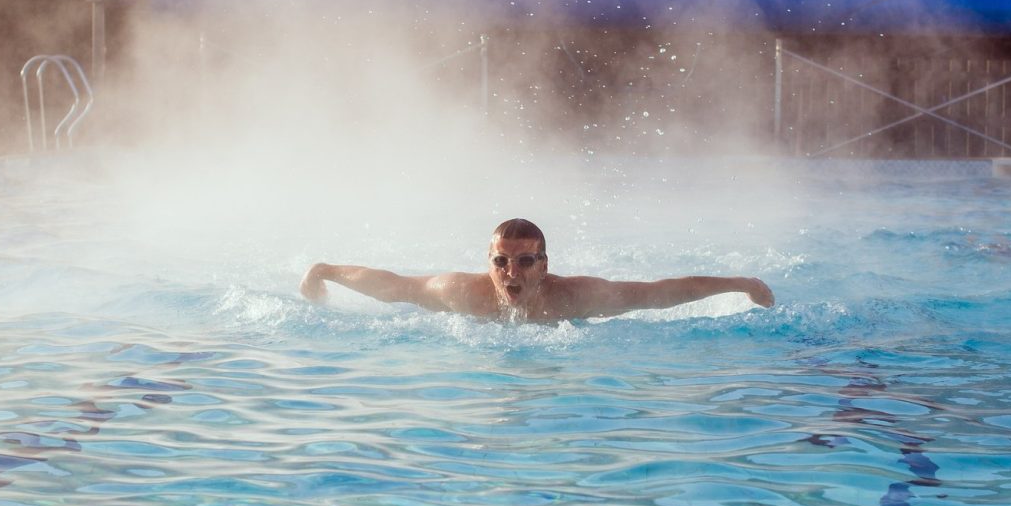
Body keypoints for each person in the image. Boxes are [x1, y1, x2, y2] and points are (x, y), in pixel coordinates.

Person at [300, 217, 774, 323]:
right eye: (501, 262)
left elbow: (657, 292)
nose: (512, 272)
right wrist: (326, 271)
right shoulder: (462, 293)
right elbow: (393, 287)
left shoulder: (577, 298)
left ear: (544, 266)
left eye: (525, 261)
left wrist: (739, 284)